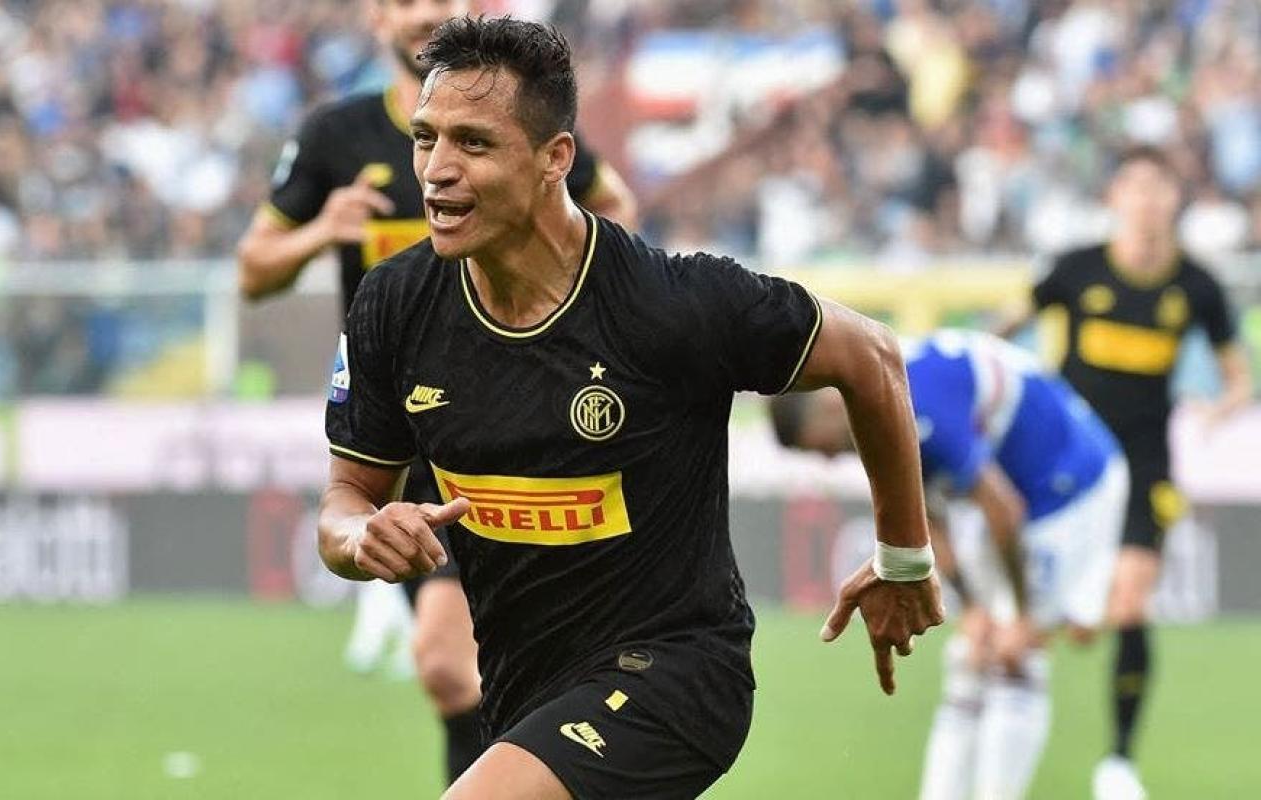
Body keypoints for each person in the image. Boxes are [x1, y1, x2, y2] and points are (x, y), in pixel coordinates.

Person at [318, 17, 943, 799]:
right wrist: (361, 535)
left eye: (472, 144)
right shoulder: (395, 302)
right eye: (425, 138)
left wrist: (903, 557)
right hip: (524, 690)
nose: (436, 171)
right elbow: (344, 501)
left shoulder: (669, 303)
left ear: (555, 158)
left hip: (676, 675)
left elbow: (871, 356)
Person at [235, 0, 637, 785]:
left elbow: (611, 205)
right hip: (416, 428)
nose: (424, 12)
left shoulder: (511, 116)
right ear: (376, 17)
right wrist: (321, 231)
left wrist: (587, 314)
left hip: (532, 410)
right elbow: (252, 271)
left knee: (494, 667)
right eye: (404, 1)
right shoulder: (336, 135)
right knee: (452, 667)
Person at [771, 329, 1128, 800]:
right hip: (1013, 484)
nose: (827, 459)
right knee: (970, 656)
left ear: (828, 407)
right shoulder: (879, 397)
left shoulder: (917, 410)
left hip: (1070, 484)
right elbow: (924, 519)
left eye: (818, 447)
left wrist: (1021, 615)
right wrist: (975, 607)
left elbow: (1003, 511)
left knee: (1015, 658)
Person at [1005, 145, 1253, 800]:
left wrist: (1219, 407)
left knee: (1129, 605)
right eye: (1133, 186)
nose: (1145, 200)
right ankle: (1004, 736)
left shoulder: (1196, 286)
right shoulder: (1075, 269)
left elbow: (1237, 375)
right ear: (1113, 198)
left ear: (1174, 199)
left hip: (1145, 465)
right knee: (1041, 622)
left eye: (1157, 186)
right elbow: (1006, 328)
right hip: (1068, 464)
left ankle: (1117, 763)